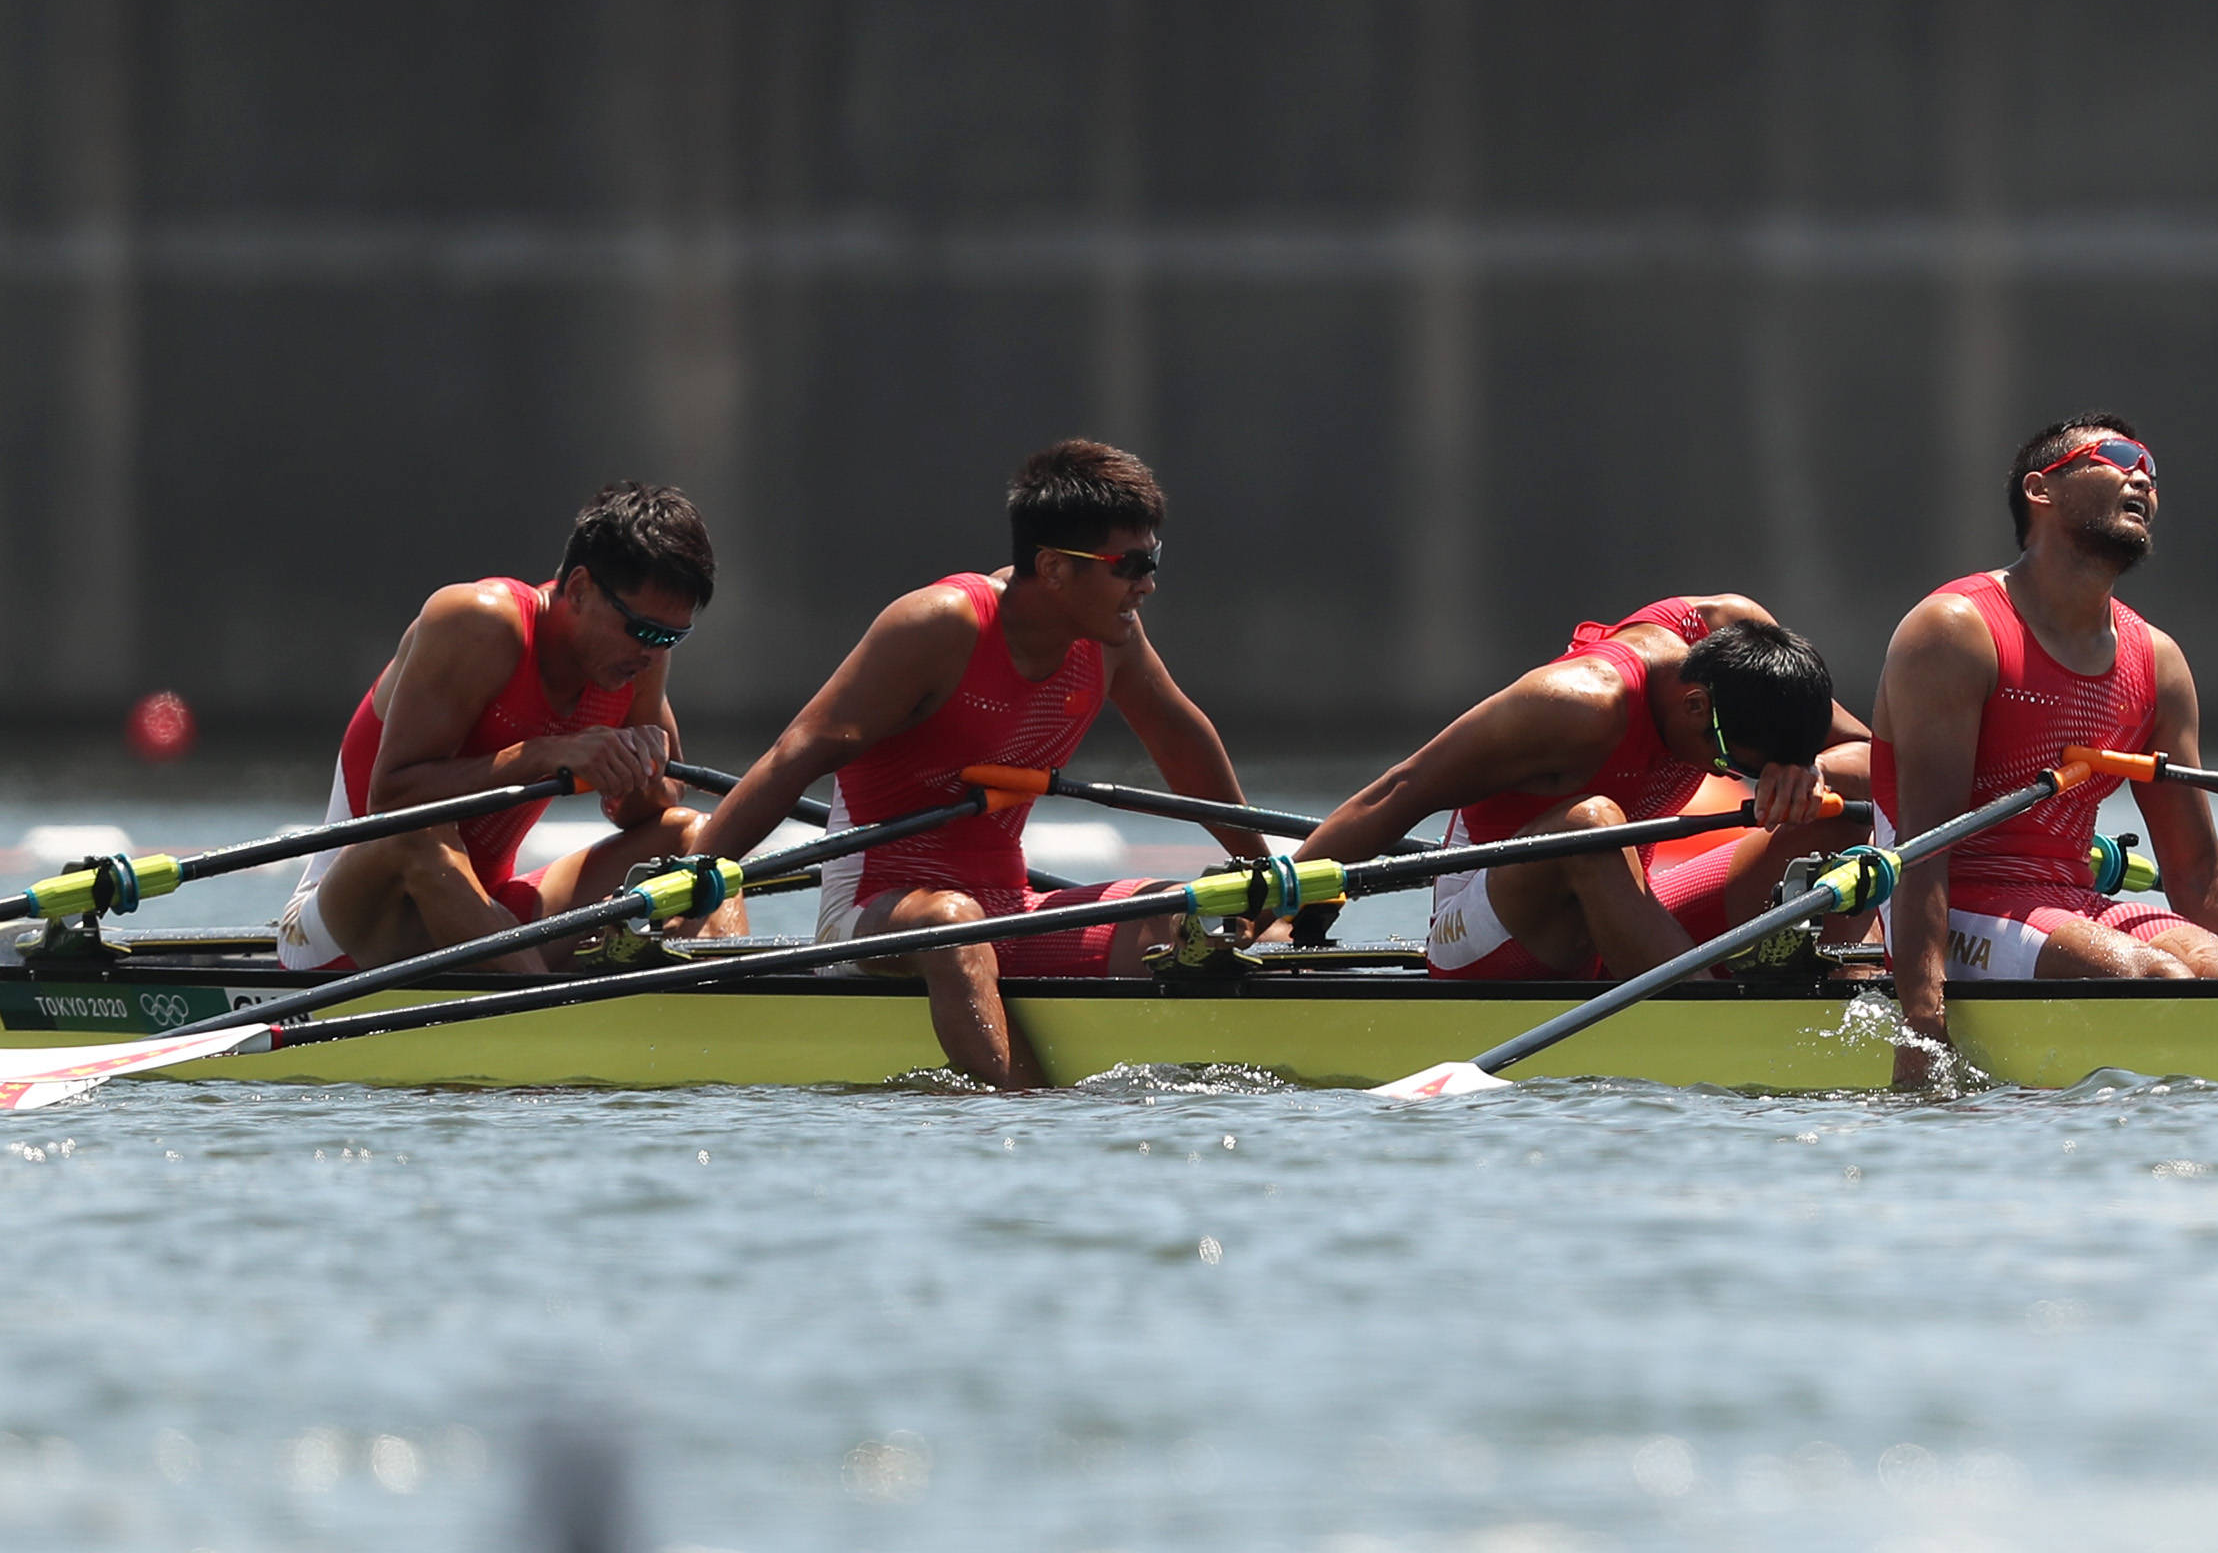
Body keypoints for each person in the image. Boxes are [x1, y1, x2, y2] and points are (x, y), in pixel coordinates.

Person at [687, 440, 1255, 1088]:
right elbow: (796, 755)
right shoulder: (939, 626)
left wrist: (1262, 869)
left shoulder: (1111, 641)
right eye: (1129, 564)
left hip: (1008, 906)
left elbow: (1182, 744)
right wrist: (695, 873)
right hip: (878, 915)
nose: (1147, 583)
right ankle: (1028, 1114)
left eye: (1153, 560)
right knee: (954, 920)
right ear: (1054, 567)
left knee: (1192, 911)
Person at [1871, 412, 2218, 1079]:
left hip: (2068, 898)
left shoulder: (2159, 663)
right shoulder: (1956, 630)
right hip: (1954, 898)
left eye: (2151, 469)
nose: (2140, 474)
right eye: (2114, 456)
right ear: (2040, 490)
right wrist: (1923, 1029)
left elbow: (2196, 868)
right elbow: (1925, 848)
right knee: (2159, 977)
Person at [277, 483, 732, 975]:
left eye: (672, 638)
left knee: (694, 838)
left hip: (486, 914)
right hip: (352, 931)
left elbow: (653, 808)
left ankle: (734, 1006)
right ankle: (549, 1018)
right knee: (421, 831)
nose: (653, 652)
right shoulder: (478, 622)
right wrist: (544, 755)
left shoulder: (637, 661)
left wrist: (637, 778)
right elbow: (392, 801)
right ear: (578, 589)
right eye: (645, 631)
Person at [1290, 597, 1860, 979]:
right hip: (1491, 926)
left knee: (1844, 811)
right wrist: (1279, 903)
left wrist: (1811, 770)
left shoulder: (1739, 641)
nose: (1720, 774)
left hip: (1618, 911)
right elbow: (1400, 791)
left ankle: (1824, 979)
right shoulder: (1577, 704)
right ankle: (1711, 1013)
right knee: (1595, 821)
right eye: (1734, 762)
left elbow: (1871, 755)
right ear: (1695, 706)